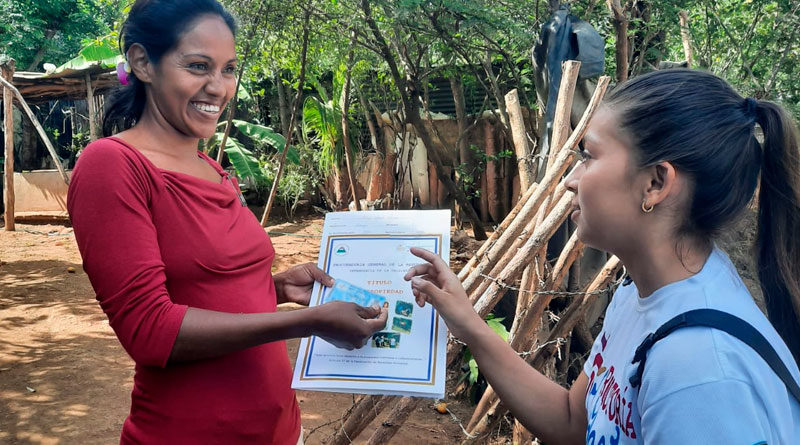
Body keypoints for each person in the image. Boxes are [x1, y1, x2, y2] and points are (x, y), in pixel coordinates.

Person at [405, 69, 800, 444]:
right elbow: (574, 421)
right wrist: (468, 321)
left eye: (589, 156)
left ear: (655, 183)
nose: (569, 181)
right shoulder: (640, 296)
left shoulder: (699, 374)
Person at [67, 1, 387, 443]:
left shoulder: (211, 168)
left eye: (229, 69)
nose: (217, 87)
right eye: (198, 66)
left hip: (276, 428)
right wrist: (307, 322)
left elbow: (199, 287)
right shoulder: (113, 166)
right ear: (143, 62)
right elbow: (150, 329)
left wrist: (271, 288)